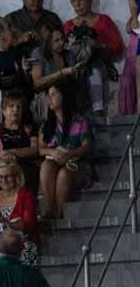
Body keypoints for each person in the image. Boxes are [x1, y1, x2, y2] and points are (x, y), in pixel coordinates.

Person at [37, 82, 92, 223]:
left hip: (77, 167)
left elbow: (87, 147)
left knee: (63, 174)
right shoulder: (47, 124)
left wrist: (70, 154)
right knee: (46, 166)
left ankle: (60, 214)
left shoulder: (80, 121)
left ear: (64, 96)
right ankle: (49, 211)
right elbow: (40, 148)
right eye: (48, 96)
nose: (50, 99)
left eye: (53, 94)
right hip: (55, 162)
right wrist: (52, 152)